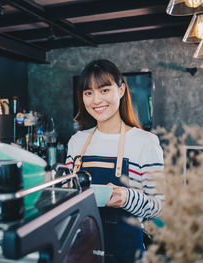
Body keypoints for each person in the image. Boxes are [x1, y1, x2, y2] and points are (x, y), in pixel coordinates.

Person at [65, 59, 164, 263]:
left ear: (121, 90)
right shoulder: (77, 142)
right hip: (80, 253)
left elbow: (161, 206)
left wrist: (127, 198)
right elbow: (67, 195)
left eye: (104, 90)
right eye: (88, 93)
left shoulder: (146, 142)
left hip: (126, 255)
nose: (96, 100)